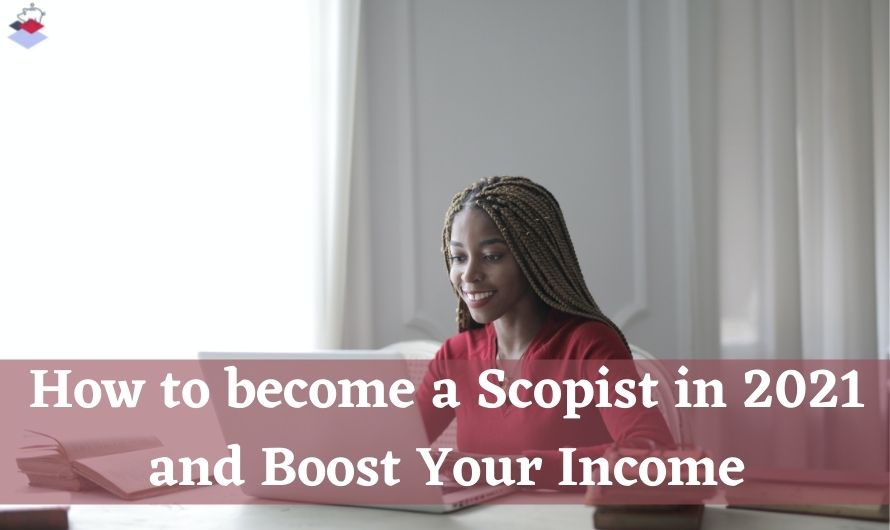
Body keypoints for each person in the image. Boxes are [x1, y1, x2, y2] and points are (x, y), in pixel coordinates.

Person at [415, 176, 674, 489]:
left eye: (492, 256)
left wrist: (504, 469)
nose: (468, 275)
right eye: (459, 257)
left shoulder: (587, 344)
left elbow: (651, 451)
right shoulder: (455, 355)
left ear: (533, 257)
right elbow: (391, 447)